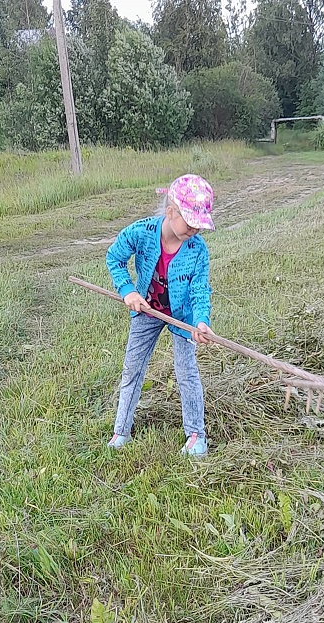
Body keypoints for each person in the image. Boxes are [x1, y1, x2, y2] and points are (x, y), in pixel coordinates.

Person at [106, 174, 215, 457]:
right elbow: (114, 257)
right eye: (189, 222)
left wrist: (200, 321)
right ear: (170, 211)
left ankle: (195, 435)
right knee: (132, 368)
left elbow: (200, 290)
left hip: (182, 316)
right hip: (148, 309)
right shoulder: (141, 232)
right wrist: (128, 290)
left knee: (186, 373)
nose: (194, 230)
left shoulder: (197, 249)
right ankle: (121, 431)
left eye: (198, 225)